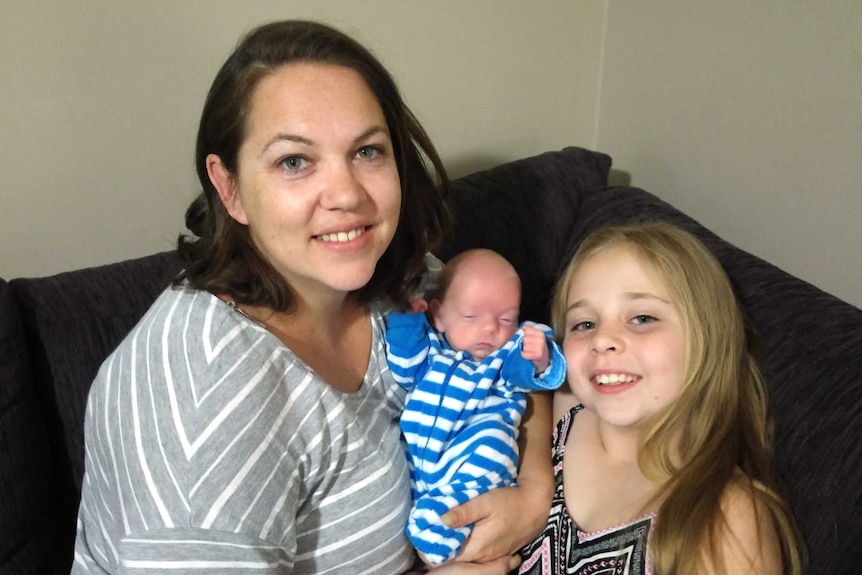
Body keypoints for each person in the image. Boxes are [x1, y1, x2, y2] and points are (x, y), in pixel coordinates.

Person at [71, 20, 554, 575]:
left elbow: (514, 353)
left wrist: (534, 490)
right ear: (229, 187)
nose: (347, 194)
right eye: (294, 162)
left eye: (368, 151)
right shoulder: (200, 403)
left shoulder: (403, 281)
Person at [517, 222, 805, 574]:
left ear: (708, 338)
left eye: (642, 318)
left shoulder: (726, 518)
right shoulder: (563, 412)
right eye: (584, 324)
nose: (602, 339)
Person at [386, 249, 565, 566]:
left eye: (506, 318)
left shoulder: (502, 359)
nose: (490, 329)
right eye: (471, 317)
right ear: (438, 315)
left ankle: (442, 541)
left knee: (436, 519)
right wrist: (408, 315)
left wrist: (540, 357)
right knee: (424, 508)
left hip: (479, 463)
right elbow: (401, 362)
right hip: (423, 469)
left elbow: (533, 377)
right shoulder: (430, 355)